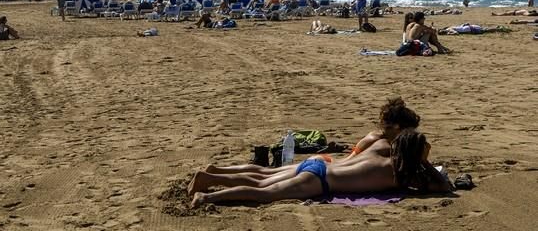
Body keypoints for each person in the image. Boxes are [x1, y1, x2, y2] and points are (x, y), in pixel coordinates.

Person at [189, 129, 451, 207]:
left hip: (320, 163)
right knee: (262, 192)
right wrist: (425, 162)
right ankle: (207, 195)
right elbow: (442, 187)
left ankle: (212, 174)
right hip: (319, 182)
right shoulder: (399, 176)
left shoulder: (381, 147)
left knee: (263, 174)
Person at [203, 97, 421, 177]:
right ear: (396, 126)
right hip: (329, 166)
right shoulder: (380, 141)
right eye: (407, 131)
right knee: (265, 177)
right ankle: (217, 173)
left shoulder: (378, 135)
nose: (408, 136)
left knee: (267, 173)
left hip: (327, 163)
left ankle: (218, 171)